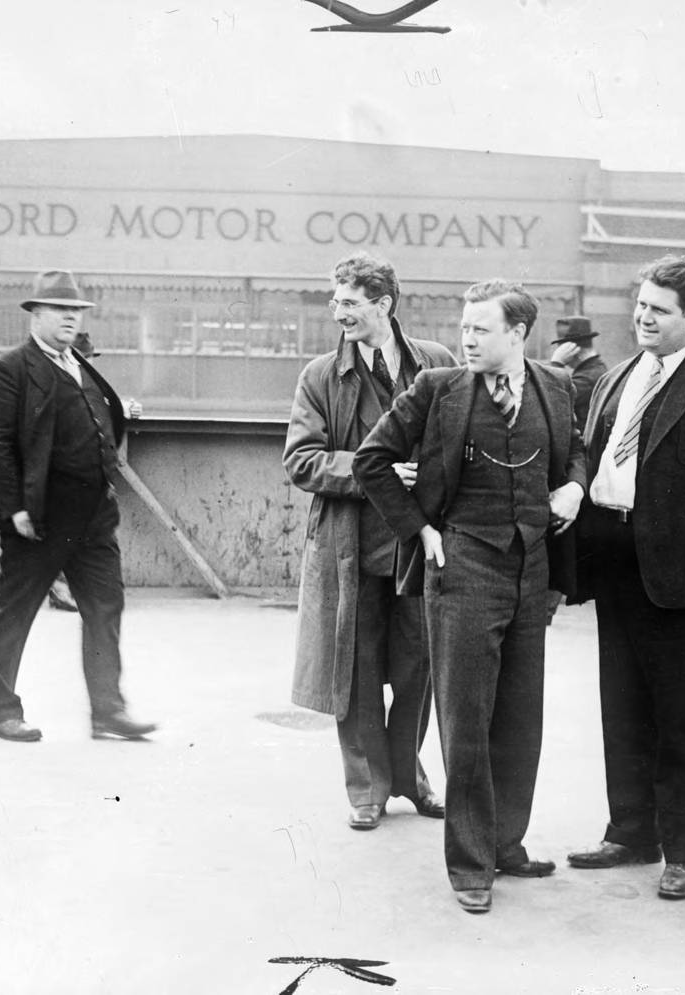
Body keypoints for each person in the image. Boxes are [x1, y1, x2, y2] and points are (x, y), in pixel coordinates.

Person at [354, 279, 587, 914]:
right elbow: (371, 462)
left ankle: (506, 842)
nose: (467, 337)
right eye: (464, 326)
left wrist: (573, 487)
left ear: (518, 334)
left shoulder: (556, 386)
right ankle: (469, 863)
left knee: (519, 716)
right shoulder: (436, 390)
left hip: (531, 568)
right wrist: (421, 530)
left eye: (481, 328)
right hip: (462, 567)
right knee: (466, 723)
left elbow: (577, 454)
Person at [565, 255, 685, 901]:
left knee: (684, 718)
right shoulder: (617, 376)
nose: (643, 317)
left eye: (659, 310)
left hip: (683, 580)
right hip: (616, 563)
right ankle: (630, 830)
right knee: (621, 705)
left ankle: (684, 850)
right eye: (641, 305)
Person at [284, 252, 455, 831]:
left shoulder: (435, 362)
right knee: (353, 674)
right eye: (335, 301)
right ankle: (367, 788)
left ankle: (408, 778)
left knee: (419, 668)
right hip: (350, 547)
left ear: (383, 305)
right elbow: (301, 461)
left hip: (416, 545)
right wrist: (372, 470)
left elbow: (460, 441)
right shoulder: (318, 376)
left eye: (350, 302)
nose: (338, 313)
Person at [0, 269, 156, 742]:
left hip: (94, 516)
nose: (70, 317)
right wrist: (14, 507)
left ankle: (108, 711)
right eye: (60, 309)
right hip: (40, 517)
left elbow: (103, 421)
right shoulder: (10, 369)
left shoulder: (80, 364)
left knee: (105, 607)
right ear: (35, 314)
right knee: (16, 612)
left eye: (76, 310)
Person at [547, 315, 606, 430]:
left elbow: (552, 401)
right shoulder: (594, 369)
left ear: (571, 349)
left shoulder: (587, 378)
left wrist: (556, 363)